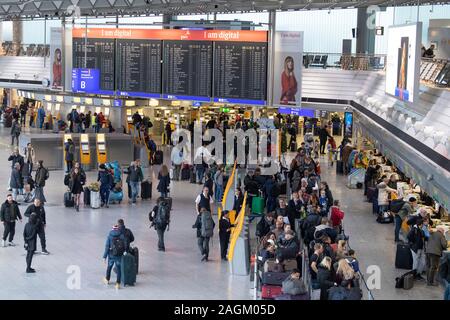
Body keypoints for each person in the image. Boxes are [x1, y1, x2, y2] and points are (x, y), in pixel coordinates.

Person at [102, 224, 127, 290]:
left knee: (109, 267)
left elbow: (107, 247)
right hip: (119, 255)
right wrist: (125, 251)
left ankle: (107, 280)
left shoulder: (109, 236)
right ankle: (117, 284)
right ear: (118, 229)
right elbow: (125, 244)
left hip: (111, 255)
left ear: (112, 229)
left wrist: (104, 256)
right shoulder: (122, 235)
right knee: (118, 269)